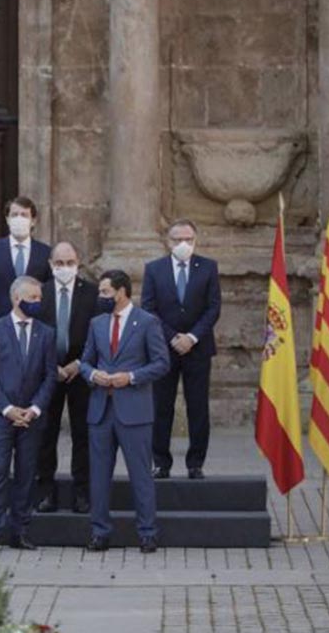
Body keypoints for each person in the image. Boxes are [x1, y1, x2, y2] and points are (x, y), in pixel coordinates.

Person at [79, 270, 170, 553]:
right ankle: (100, 532)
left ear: (121, 292)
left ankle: (147, 533)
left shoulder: (147, 322)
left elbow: (161, 363)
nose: (101, 297)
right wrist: (94, 375)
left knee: (140, 475)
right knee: (99, 475)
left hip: (134, 411)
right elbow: (84, 362)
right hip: (101, 410)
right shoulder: (96, 323)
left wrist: (129, 377)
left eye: (105, 292)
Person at [0, 277, 58, 550]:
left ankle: (20, 531)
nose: (37, 302)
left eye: (39, 298)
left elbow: (50, 376)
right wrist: (9, 409)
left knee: (26, 473)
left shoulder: (46, 333)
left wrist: (34, 409)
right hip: (1, 416)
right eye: (32, 297)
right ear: (16, 298)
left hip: (32, 418)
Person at [141, 219, 222, 479]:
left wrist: (192, 337)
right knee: (161, 406)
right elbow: (148, 308)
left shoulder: (208, 267)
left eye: (188, 239)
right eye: (177, 240)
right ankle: (160, 463)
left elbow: (213, 308)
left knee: (197, 407)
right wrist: (174, 337)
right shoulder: (154, 269)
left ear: (196, 240)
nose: (183, 244)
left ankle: (195, 463)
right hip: (164, 349)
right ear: (168, 242)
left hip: (198, 349)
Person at [33, 241, 100, 513]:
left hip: (80, 373)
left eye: (69, 263)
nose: (64, 268)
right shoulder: (41, 293)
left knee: (81, 433)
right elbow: (35, 332)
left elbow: (97, 335)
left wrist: (79, 364)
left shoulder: (92, 294)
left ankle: (81, 492)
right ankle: (45, 491)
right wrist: (52, 367)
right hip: (49, 373)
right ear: (50, 264)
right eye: (59, 263)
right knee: (46, 433)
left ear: (78, 263)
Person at [0, 196, 52, 322]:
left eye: (24, 215)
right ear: (7, 219)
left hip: (35, 325)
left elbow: (49, 293)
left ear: (33, 221)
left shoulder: (45, 252)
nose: (19, 219)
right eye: (14, 215)